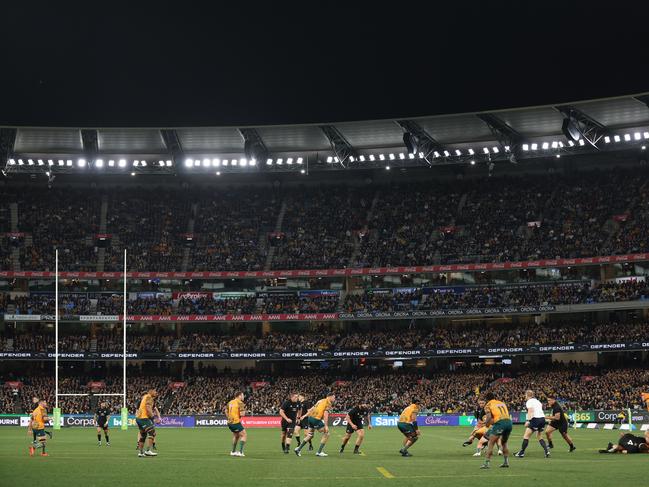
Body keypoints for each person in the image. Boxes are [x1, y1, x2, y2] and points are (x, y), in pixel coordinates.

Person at [294, 392, 335, 457]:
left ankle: (298, 449)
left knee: (310, 435)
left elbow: (311, 409)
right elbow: (325, 414)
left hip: (310, 418)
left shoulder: (320, 400)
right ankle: (319, 452)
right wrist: (326, 426)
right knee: (327, 433)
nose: (334, 399)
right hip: (316, 419)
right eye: (334, 397)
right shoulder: (328, 403)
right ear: (330, 396)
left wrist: (305, 416)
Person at [480, 392, 512, 469]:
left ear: (487, 399)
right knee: (504, 443)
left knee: (491, 442)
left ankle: (486, 463)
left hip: (500, 423)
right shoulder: (501, 403)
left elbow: (488, 417)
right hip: (509, 422)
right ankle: (506, 462)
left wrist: (487, 424)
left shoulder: (488, 405)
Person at [515, 390, 550, 458]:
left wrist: (528, 420)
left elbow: (531, 411)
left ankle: (521, 453)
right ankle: (547, 451)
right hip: (542, 419)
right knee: (539, 436)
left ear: (527, 395)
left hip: (535, 419)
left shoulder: (529, 401)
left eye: (525, 395)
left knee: (526, 436)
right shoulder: (537, 401)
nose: (525, 396)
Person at [136, 389, 160, 457]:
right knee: (152, 433)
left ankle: (140, 452)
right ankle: (148, 450)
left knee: (143, 435)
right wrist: (153, 418)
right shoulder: (149, 397)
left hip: (139, 418)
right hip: (143, 418)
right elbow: (148, 408)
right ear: (150, 392)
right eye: (155, 391)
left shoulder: (145, 397)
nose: (156, 393)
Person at [226, 391, 247, 457]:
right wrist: (244, 410)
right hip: (236, 422)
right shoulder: (240, 403)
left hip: (230, 422)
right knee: (244, 435)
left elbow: (226, 411)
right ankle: (240, 452)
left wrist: (229, 417)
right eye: (243, 395)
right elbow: (242, 414)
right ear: (239, 396)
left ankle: (233, 451)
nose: (243, 397)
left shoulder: (230, 402)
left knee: (236, 436)